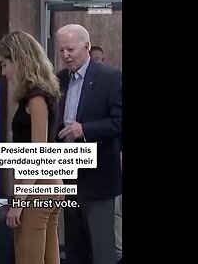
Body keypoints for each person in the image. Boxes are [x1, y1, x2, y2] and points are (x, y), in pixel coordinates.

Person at [0, 31, 64, 264]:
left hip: (37, 188)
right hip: (49, 185)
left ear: (19, 59)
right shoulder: (44, 92)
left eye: (5, 64)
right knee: (48, 257)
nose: (3, 72)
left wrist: (19, 202)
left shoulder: (36, 97)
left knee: (28, 258)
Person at [55, 24, 122, 264]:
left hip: (99, 177)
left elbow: (119, 122)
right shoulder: (58, 80)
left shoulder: (110, 78)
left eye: (70, 49)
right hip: (68, 176)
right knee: (75, 248)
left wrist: (85, 130)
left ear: (87, 47)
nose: (65, 55)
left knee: (102, 249)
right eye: (61, 50)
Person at [89, 45, 123, 263]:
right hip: (101, 163)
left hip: (112, 158)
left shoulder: (113, 81)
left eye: (101, 59)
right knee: (114, 214)